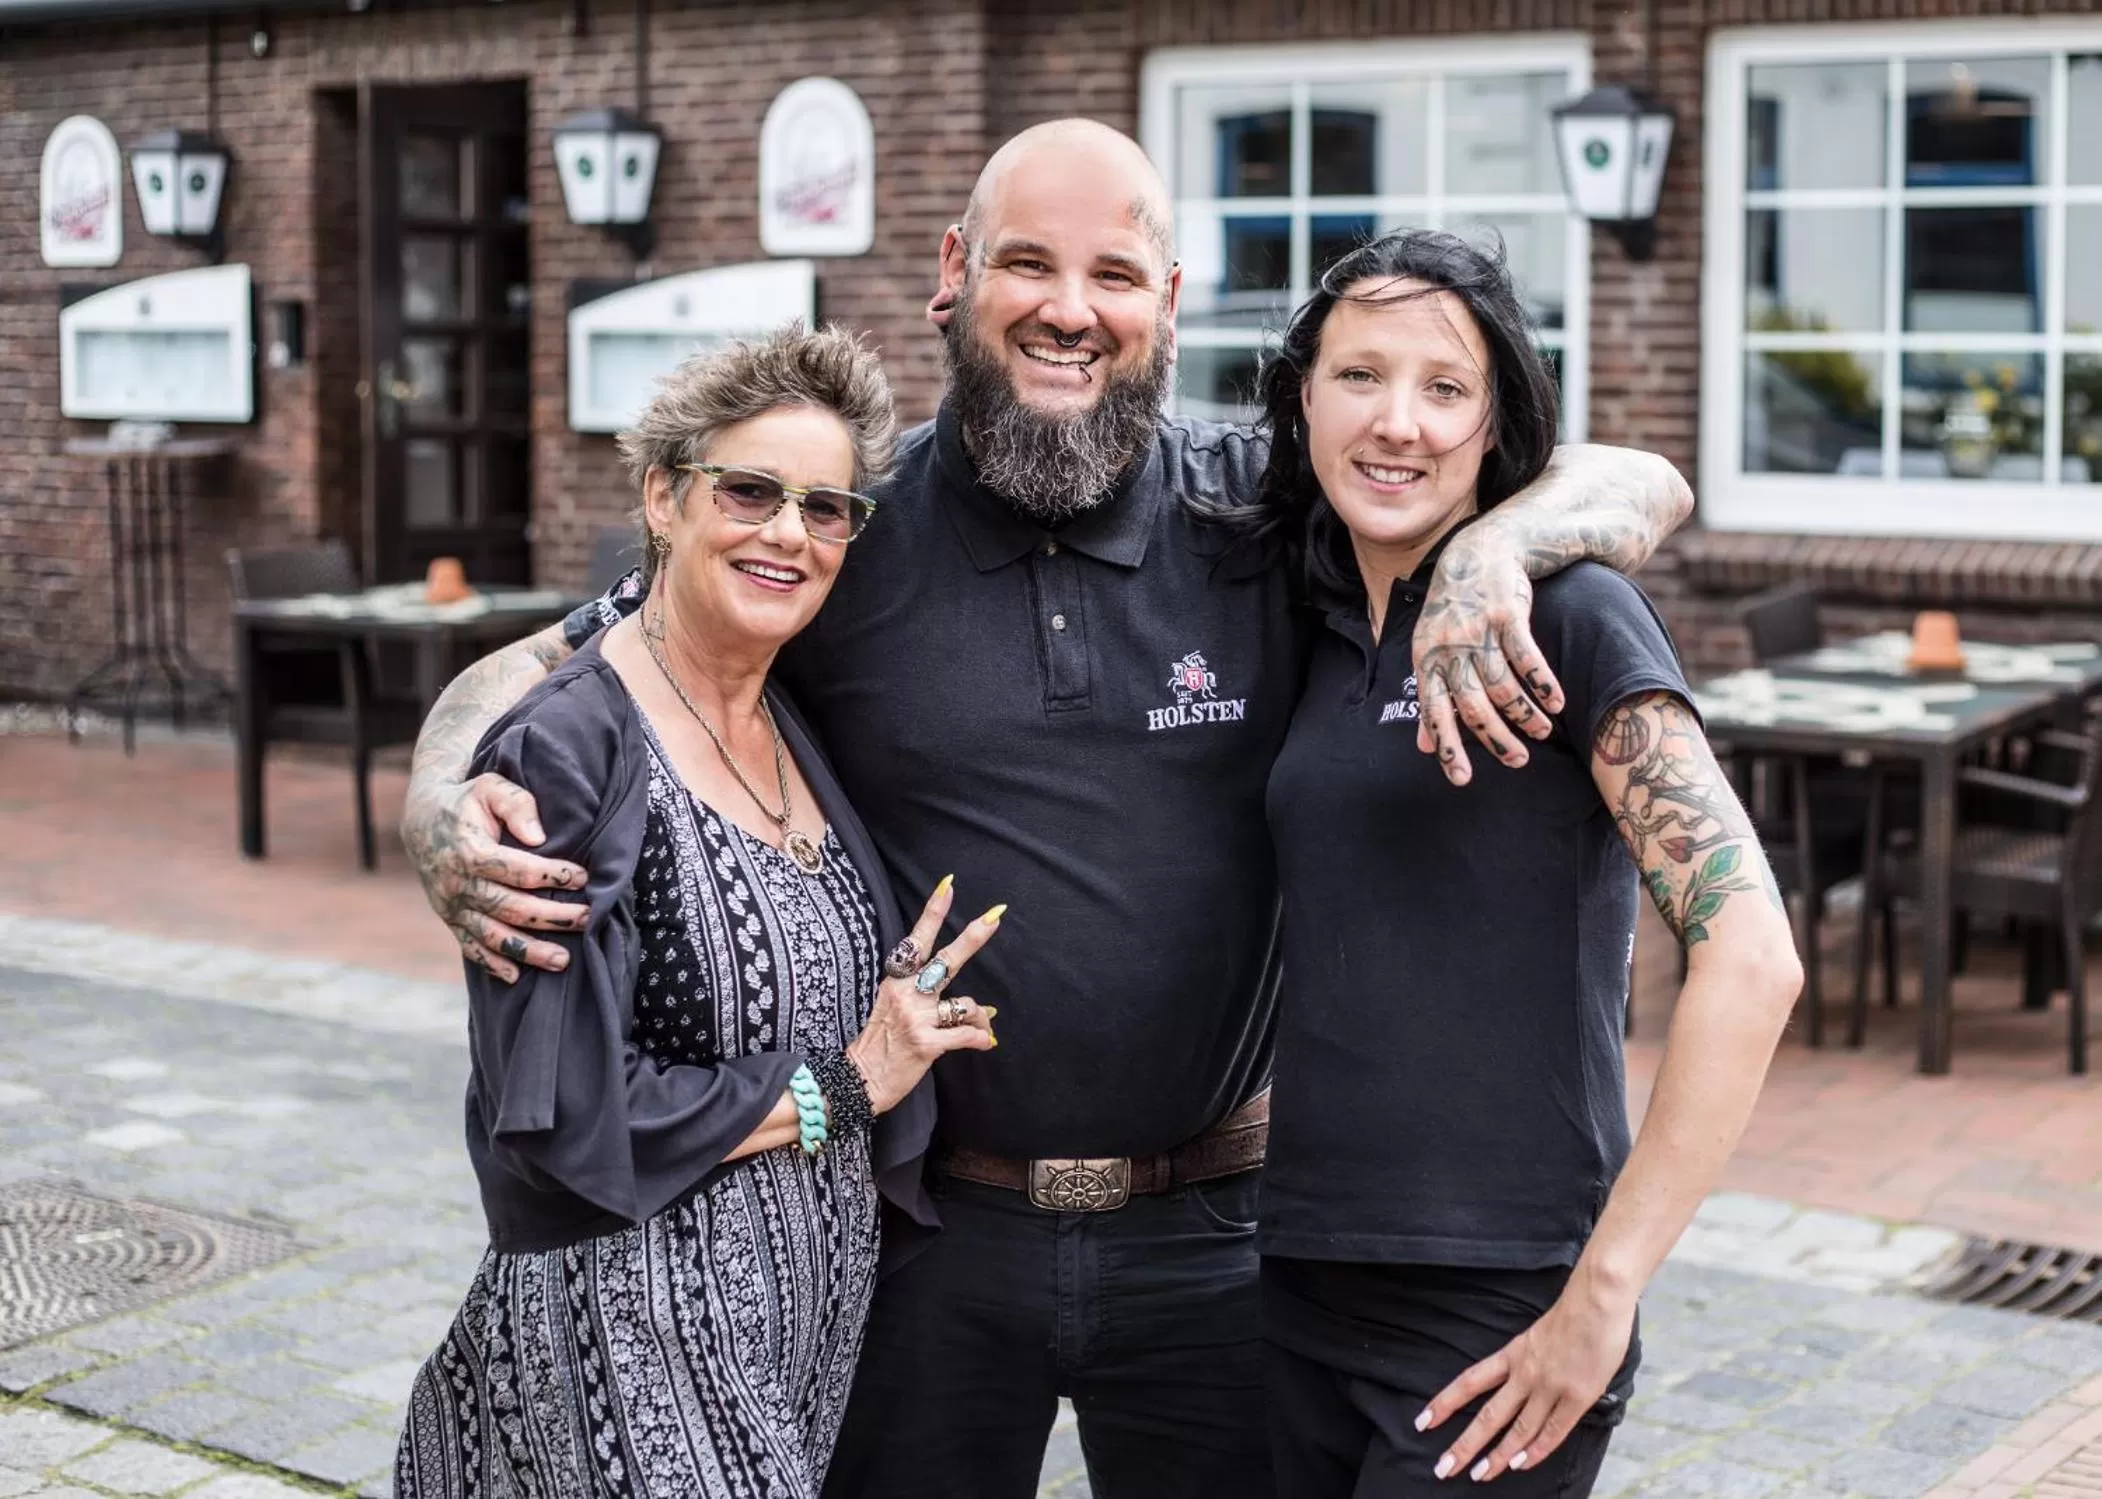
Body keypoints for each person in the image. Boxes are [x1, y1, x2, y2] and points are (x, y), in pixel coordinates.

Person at [397, 120, 1695, 1499]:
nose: (1070, 311)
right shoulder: (840, 527)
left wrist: (1497, 541)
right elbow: (562, 660)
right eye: (1028, 264)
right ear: (954, 272)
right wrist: (436, 802)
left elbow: (1641, 478)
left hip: (1215, 1234)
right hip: (925, 1230)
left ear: (1169, 301)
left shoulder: (1263, 511)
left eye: (1114, 275)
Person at [392, 327, 1002, 1499]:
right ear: (664, 495)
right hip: (635, 1326)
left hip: (795, 1326)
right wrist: (850, 1080)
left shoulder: (786, 711)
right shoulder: (566, 748)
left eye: (826, 509)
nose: (788, 531)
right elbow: (565, 1115)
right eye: (751, 490)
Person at [1243, 231, 1801, 1496]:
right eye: (1357, 376)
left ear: (1497, 424)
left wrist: (1602, 1294)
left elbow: (1751, 957)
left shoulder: (1574, 613)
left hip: (1496, 1303)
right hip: (1294, 1273)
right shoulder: (1311, 612)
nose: (1397, 423)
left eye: (1444, 388)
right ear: (1301, 397)